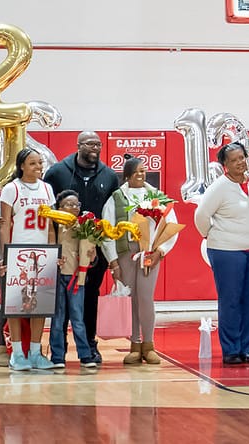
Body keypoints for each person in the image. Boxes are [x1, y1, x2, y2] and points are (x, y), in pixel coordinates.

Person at [43, 131, 119, 364]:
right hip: (62, 252)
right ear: (78, 146)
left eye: (99, 144)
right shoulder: (56, 172)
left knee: (89, 298)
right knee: (60, 305)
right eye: (90, 144)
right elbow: (47, 209)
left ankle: (89, 346)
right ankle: (59, 350)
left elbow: (111, 212)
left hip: (91, 251)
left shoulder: (109, 175)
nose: (95, 148)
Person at [101, 155, 179, 365]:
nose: (141, 175)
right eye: (136, 172)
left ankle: (149, 344)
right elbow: (107, 231)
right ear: (127, 175)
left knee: (145, 298)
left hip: (149, 253)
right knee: (131, 299)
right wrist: (113, 261)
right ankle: (134, 345)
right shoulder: (117, 198)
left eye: (143, 171)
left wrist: (159, 251)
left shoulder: (157, 196)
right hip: (126, 252)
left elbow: (171, 226)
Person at [193, 142, 249, 366]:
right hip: (226, 250)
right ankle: (231, 349)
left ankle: (245, 347)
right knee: (231, 300)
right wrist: (211, 234)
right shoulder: (219, 187)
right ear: (225, 165)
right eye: (234, 160)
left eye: (242, 157)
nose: (240, 162)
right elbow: (201, 215)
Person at [0, 148, 56, 371]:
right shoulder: (11, 189)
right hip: (18, 253)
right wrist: (5, 256)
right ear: (21, 166)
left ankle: (35, 352)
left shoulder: (47, 188)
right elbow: (4, 226)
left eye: (40, 163)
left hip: (42, 254)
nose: (38, 167)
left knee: (40, 305)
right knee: (16, 305)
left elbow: (50, 225)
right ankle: (17, 354)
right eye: (33, 163)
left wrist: (52, 253)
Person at [48, 189, 99, 369]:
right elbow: (47, 249)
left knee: (78, 318)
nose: (73, 208)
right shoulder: (53, 224)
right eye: (68, 205)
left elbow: (91, 257)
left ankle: (85, 355)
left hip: (77, 278)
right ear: (59, 207)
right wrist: (54, 259)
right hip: (58, 276)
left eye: (76, 205)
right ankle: (57, 356)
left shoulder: (85, 226)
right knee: (58, 318)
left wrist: (91, 257)